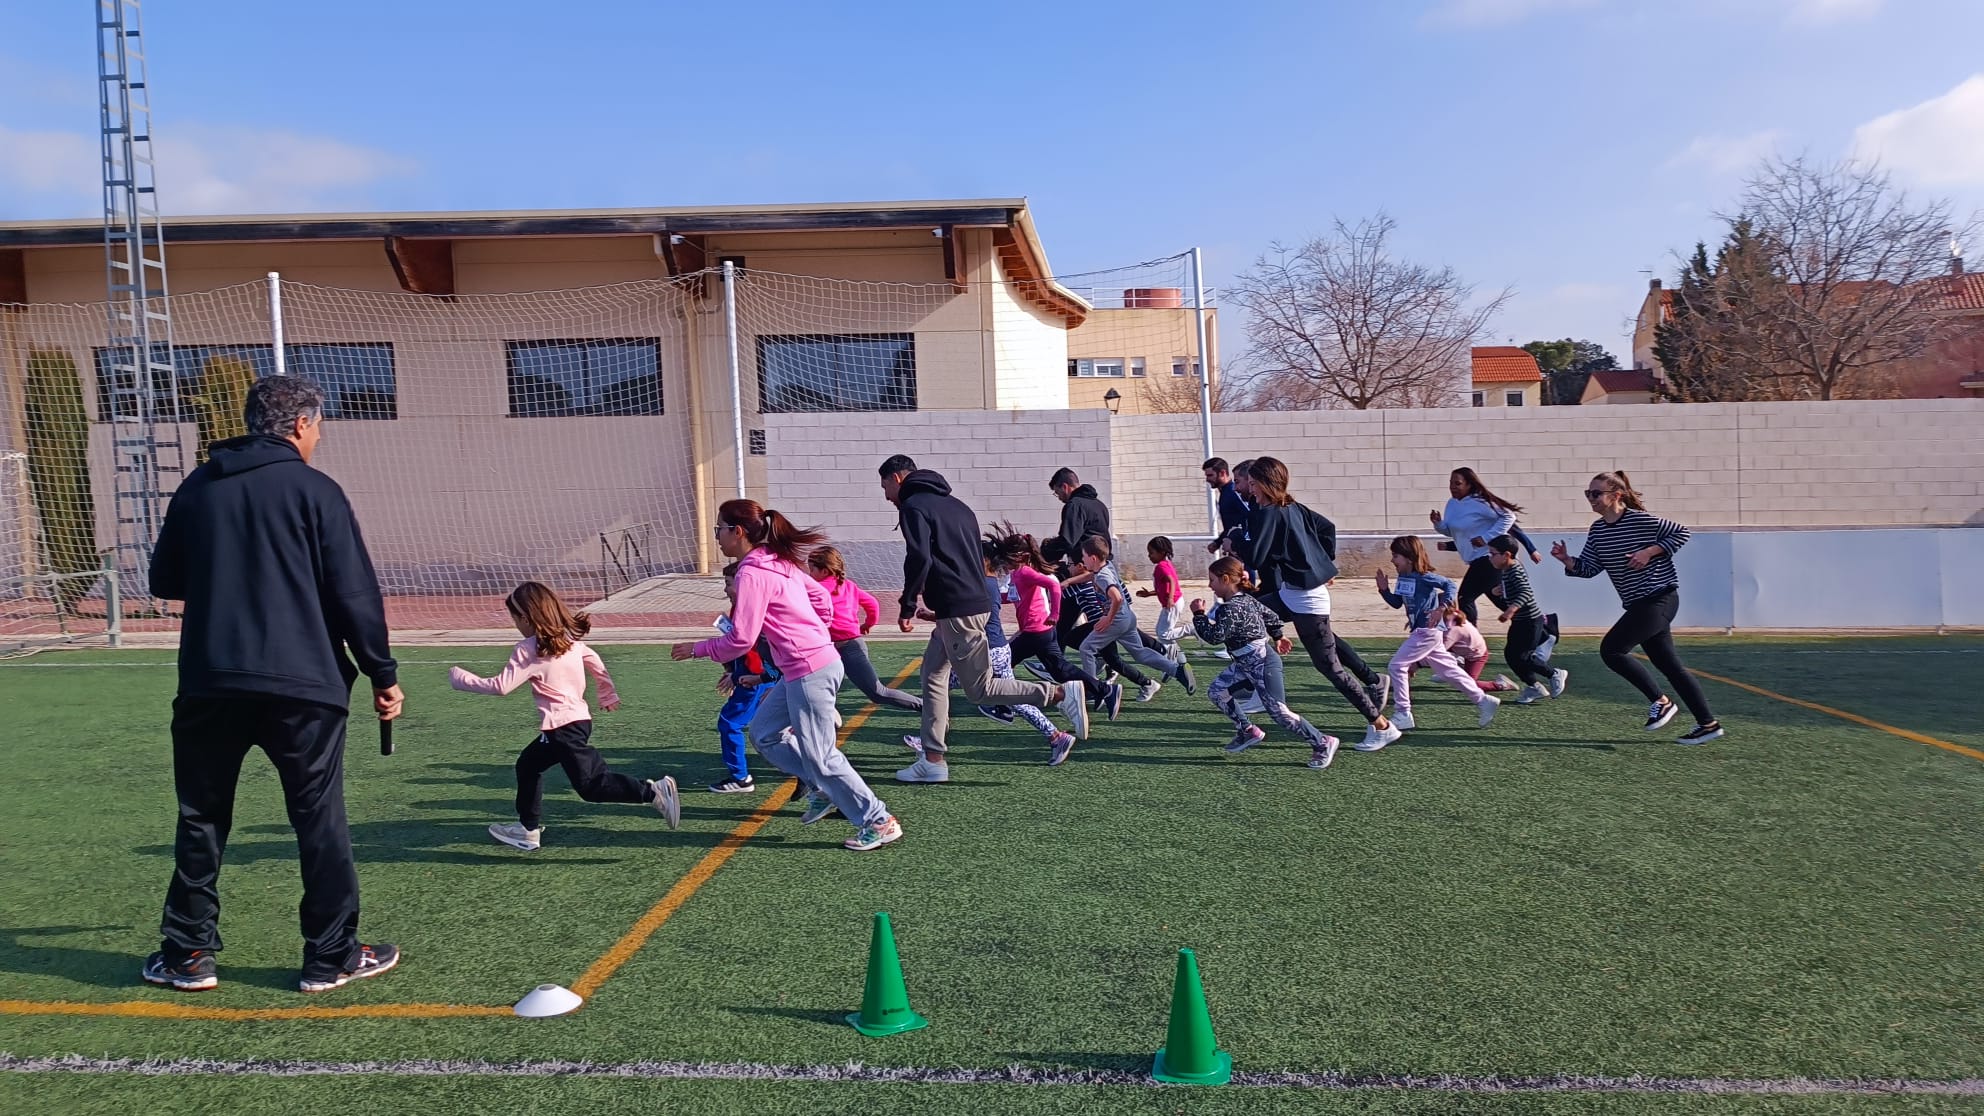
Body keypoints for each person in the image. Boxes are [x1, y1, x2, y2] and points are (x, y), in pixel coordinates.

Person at [144, 375, 403, 995]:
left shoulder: (197, 488)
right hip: (303, 686)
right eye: (317, 427)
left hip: (211, 681)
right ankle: (331, 955)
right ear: (300, 426)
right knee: (318, 819)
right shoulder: (317, 491)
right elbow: (353, 594)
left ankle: (188, 955)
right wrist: (382, 673)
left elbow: (164, 579)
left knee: (202, 817)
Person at [673, 499, 904, 851]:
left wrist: (697, 648)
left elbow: (741, 639)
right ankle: (822, 789)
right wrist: (817, 629)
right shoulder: (776, 561)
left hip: (811, 669)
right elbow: (821, 600)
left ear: (737, 532)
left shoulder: (753, 571)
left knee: (822, 756)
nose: (717, 536)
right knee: (766, 734)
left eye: (719, 528)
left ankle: (878, 819)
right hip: (803, 668)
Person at [880, 455, 1090, 784]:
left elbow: (918, 556)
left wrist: (908, 604)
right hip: (967, 606)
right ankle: (932, 760)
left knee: (982, 691)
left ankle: (1059, 695)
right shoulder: (959, 506)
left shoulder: (913, 507)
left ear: (896, 478)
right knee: (932, 677)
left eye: (885, 487)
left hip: (959, 611)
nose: (886, 496)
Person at [451, 582, 681, 848]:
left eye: (514, 618)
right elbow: (594, 660)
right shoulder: (570, 643)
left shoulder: (528, 649)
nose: (515, 624)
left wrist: (462, 679)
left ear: (525, 618)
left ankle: (652, 792)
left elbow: (501, 687)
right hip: (577, 723)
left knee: (591, 786)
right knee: (528, 765)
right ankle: (527, 829)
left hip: (562, 730)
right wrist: (607, 693)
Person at [1239, 457, 1400, 752]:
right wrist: (1321, 564)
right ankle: (1254, 688)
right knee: (1245, 615)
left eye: (1252, 484)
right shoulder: (1293, 506)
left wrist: (1236, 538)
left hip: (1306, 600)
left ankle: (1382, 725)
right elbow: (1328, 528)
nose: (1250, 490)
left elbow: (1254, 559)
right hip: (1294, 594)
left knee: (1329, 667)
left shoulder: (1269, 513)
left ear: (1264, 483)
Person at [1551, 471, 1724, 744]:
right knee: (1669, 665)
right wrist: (1566, 560)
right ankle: (1708, 724)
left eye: (1596, 493)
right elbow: (1589, 568)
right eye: (1588, 494)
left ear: (1615, 495)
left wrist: (1649, 552)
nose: (1590, 499)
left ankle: (1661, 702)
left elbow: (1681, 533)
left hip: (1659, 598)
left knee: (1612, 650)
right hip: (1640, 603)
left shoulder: (1639, 520)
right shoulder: (1597, 530)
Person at [905, 544, 1079, 766]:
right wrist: (932, 616)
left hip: (989, 651)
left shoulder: (982, 585)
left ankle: (930, 740)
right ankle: (1055, 735)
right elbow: (962, 614)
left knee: (940, 684)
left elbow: (966, 616)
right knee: (1006, 694)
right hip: (998, 649)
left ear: (984, 561)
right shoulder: (988, 583)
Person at [1191, 557, 1339, 770]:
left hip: (1262, 664)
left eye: (1212, 580)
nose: (1209, 585)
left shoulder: (1231, 608)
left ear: (1225, 579)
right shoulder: (1247, 600)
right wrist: (1279, 636)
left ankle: (1323, 742)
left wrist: (1199, 615)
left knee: (1280, 713)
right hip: (1246, 664)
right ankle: (1247, 730)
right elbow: (1271, 616)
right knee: (1217, 691)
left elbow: (1215, 637)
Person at [987, 523, 1123, 721]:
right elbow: (1014, 596)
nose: (1004, 563)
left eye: (1007, 558)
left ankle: (1002, 707)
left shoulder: (1025, 572)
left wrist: (1055, 614)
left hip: (1036, 632)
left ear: (1021, 557)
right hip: (1040, 632)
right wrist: (992, 597)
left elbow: (1053, 585)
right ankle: (1105, 690)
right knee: (1060, 671)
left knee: (1001, 665)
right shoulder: (1018, 574)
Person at [1377, 536, 1500, 736]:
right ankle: (1483, 700)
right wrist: (1383, 590)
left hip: (1427, 632)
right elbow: (1397, 603)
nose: (1392, 560)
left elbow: (1450, 585)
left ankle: (1403, 713)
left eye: (1395, 555)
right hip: (1422, 632)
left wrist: (1441, 608)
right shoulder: (1403, 578)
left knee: (1396, 665)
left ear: (1409, 557)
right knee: (1449, 670)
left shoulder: (1424, 577)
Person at [806, 545, 922, 715]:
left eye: (812, 570)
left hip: (848, 648)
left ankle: (926, 706)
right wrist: (868, 624)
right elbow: (872, 604)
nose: (809, 574)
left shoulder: (816, 590)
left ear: (824, 571)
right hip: (837, 647)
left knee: (877, 692)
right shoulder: (848, 585)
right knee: (814, 688)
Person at [1075, 535, 1195, 695]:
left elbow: (1116, 597)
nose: (1083, 560)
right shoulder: (1106, 567)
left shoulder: (1103, 577)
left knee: (1086, 648)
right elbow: (1092, 576)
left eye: (1084, 557)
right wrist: (1069, 582)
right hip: (1128, 618)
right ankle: (1177, 671)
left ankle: (1094, 690)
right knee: (1140, 653)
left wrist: (1107, 618)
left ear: (1093, 558)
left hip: (1116, 621)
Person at [709, 562, 780, 793]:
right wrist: (731, 669)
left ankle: (741, 778)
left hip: (754, 676)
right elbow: (737, 646)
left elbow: (751, 647)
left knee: (730, 723)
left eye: (728, 584)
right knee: (768, 722)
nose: (725, 589)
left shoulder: (750, 609)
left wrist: (749, 675)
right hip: (752, 674)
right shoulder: (739, 607)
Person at [1430, 467, 1520, 624]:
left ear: (1469, 485)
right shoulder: (1451, 504)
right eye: (1451, 483)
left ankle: (1470, 639)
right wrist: (1438, 524)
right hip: (1475, 559)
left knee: (1465, 598)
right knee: (1500, 601)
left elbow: (1509, 516)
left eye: (1457, 483)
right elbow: (1453, 532)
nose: (1453, 487)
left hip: (1487, 557)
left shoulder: (1480, 502)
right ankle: (1542, 625)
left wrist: (1486, 538)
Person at [1488, 535, 1568, 704]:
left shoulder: (1515, 570)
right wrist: (1500, 589)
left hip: (1530, 621)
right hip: (1520, 621)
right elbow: (1515, 587)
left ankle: (1554, 674)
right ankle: (1534, 686)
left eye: (1493, 553)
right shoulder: (1507, 569)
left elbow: (1525, 592)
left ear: (1506, 555)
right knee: (1511, 655)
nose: (1490, 557)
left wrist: (1511, 609)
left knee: (1523, 656)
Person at [1042, 466, 1109, 567]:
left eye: (1057, 492)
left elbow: (1067, 541)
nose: (1059, 497)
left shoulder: (1074, 505)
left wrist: (1045, 555)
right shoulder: (1099, 504)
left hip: (1084, 566)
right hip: (1103, 563)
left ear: (1065, 487)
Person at [1135, 535, 1188, 657]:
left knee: (1163, 633)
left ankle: (1190, 629)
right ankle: (1173, 654)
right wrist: (1149, 594)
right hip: (1173, 601)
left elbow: (1171, 581)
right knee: (1161, 631)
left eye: (1151, 553)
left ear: (1162, 552)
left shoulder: (1162, 566)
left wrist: (1170, 599)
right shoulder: (1164, 564)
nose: (1149, 556)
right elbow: (1163, 588)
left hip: (1173, 602)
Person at [1202, 458, 1249, 557]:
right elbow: (1231, 525)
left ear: (1222, 473)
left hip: (1240, 550)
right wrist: (1218, 542)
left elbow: (1250, 516)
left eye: (1210, 475)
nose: (1207, 479)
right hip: (1233, 547)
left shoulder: (1233, 492)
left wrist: (1243, 543)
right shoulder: (1224, 494)